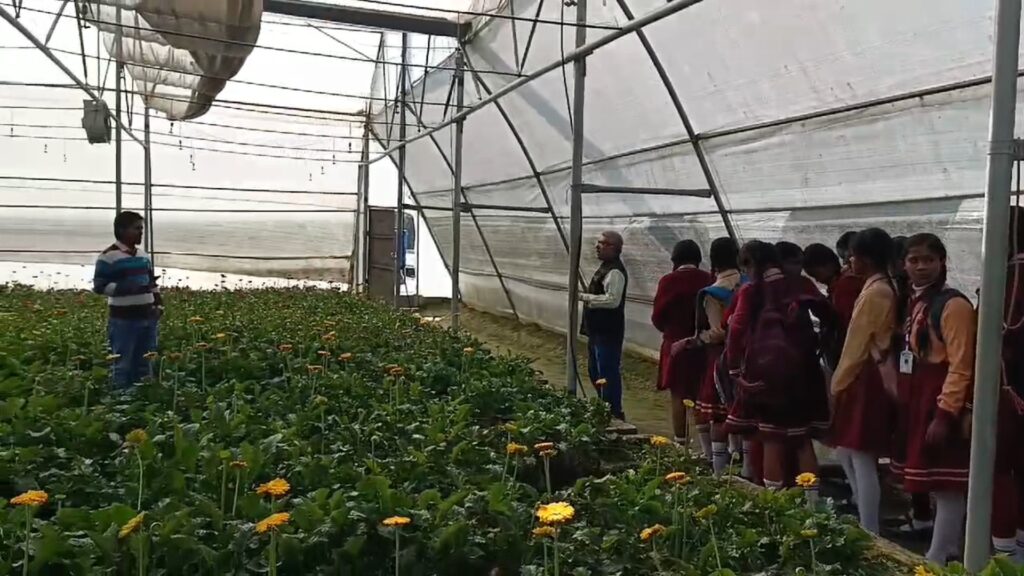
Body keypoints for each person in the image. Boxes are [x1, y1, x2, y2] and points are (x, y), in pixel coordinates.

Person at [893, 233, 976, 565]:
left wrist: (945, 413)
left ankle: (938, 556)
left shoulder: (953, 305)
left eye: (929, 259)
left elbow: (962, 364)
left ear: (942, 262)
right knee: (933, 478)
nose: (921, 266)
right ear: (904, 265)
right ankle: (949, 547)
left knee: (947, 481)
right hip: (919, 396)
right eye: (914, 260)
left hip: (939, 397)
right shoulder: (916, 300)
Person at [724, 241, 831, 490]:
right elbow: (829, 315)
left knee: (772, 437)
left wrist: (734, 370)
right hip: (805, 372)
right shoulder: (801, 284)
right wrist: (818, 346)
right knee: (803, 438)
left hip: (767, 374)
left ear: (750, 263)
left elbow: (736, 330)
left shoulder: (752, 291)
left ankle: (774, 503)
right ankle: (811, 505)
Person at [828, 228, 898, 534]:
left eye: (853, 256)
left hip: (866, 376)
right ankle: (864, 514)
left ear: (866, 259)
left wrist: (838, 382)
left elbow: (856, 344)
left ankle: (869, 527)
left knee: (860, 454)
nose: (849, 262)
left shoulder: (875, 292)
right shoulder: (882, 287)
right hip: (867, 373)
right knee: (850, 449)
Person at [682, 237, 744, 475]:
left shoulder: (713, 292)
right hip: (749, 357)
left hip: (722, 359)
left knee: (717, 415)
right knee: (744, 413)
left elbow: (718, 333)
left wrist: (695, 340)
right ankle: (746, 466)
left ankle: (718, 470)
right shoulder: (748, 282)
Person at [92, 211, 162, 390]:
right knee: (122, 363)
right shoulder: (108, 257)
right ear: (122, 230)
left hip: (147, 316)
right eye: (136, 229)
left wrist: (158, 303)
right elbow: (100, 286)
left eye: (141, 229)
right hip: (123, 320)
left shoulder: (143, 256)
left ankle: (142, 398)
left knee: (146, 362)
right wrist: (129, 288)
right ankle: (120, 403)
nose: (141, 233)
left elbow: (150, 282)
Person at [651, 240, 713, 442]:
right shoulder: (708, 279)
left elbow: (657, 316)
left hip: (675, 344)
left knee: (678, 394)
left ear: (674, 260)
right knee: (701, 393)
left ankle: (680, 442)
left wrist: (670, 332)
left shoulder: (668, 281)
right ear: (698, 258)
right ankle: (707, 448)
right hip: (702, 344)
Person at [993, 206, 1024, 561]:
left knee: (1000, 469)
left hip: (1009, 390)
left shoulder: (1011, 278)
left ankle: (1005, 553)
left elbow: (1002, 336)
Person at [581, 230, 629, 421]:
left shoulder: (615, 271)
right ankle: (604, 406)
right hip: (597, 330)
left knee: (607, 372)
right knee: (594, 370)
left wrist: (586, 297)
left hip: (608, 331)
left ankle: (614, 411)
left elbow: (613, 300)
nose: (597, 246)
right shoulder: (605, 268)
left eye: (601, 243)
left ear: (613, 247)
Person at [803, 243, 866, 371]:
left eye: (816, 274)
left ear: (829, 265)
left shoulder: (845, 286)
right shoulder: (842, 283)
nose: (818, 280)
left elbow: (848, 323)